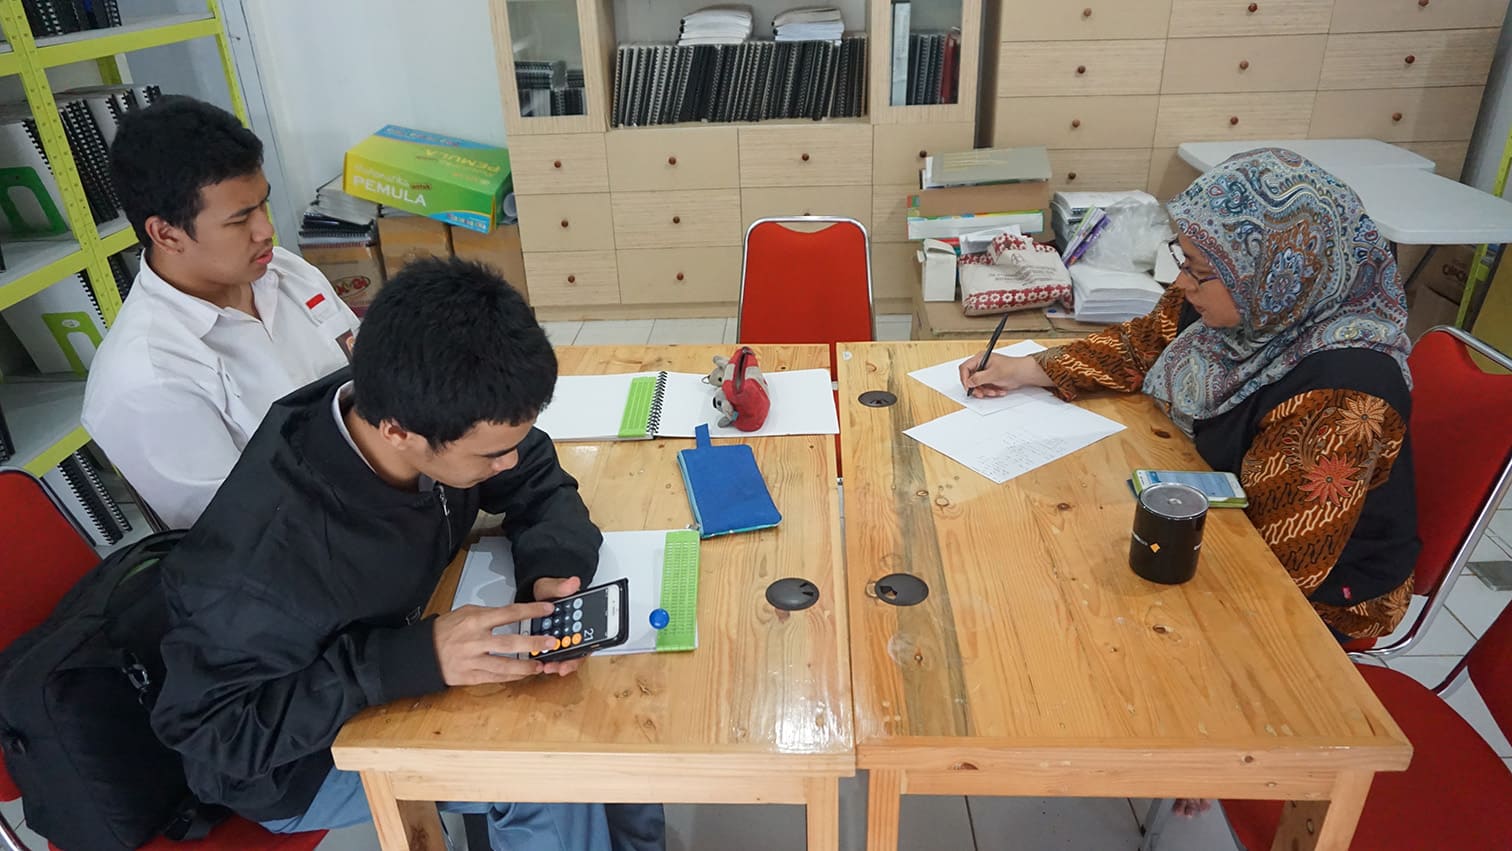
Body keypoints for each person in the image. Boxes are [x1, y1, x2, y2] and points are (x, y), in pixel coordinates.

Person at [148, 257, 664, 850]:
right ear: (398, 432)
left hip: (393, 644)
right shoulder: (265, 563)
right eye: (491, 456)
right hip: (296, 762)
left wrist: (552, 569)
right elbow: (210, 733)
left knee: (611, 719)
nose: (508, 462)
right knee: (536, 768)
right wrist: (413, 659)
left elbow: (534, 474)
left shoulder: (433, 412)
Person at [961, 148, 1418, 642]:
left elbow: (1274, 568)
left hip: (1313, 601)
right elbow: (1143, 345)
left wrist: (1103, 532)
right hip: (1204, 512)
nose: (1180, 280)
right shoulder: (1242, 301)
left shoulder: (1344, 390)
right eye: (1184, 257)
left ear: (1278, 270)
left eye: (1197, 268)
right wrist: (1029, 369)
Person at [83, 96, 359, 529]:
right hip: (308, 562)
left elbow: (373, 381)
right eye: (239, 219)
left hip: (387, 500)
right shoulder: (146, 378)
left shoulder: (285, 273)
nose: (266, 230)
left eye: (263, 203)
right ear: (167, 234)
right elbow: (245, 536)